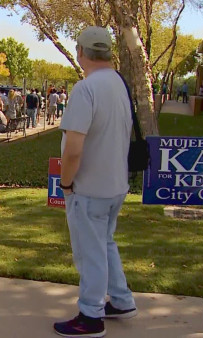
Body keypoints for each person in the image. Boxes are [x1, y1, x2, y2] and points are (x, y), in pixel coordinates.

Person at [53, 27, 137, 337]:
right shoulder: (119, 83)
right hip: (115, 184)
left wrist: (65, 184)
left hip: (89, 187)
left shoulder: (85, 89)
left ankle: (91, 315)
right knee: (105, 244)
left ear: (81, 53)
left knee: (90, 252)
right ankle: (121, 299)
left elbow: (73, 149)